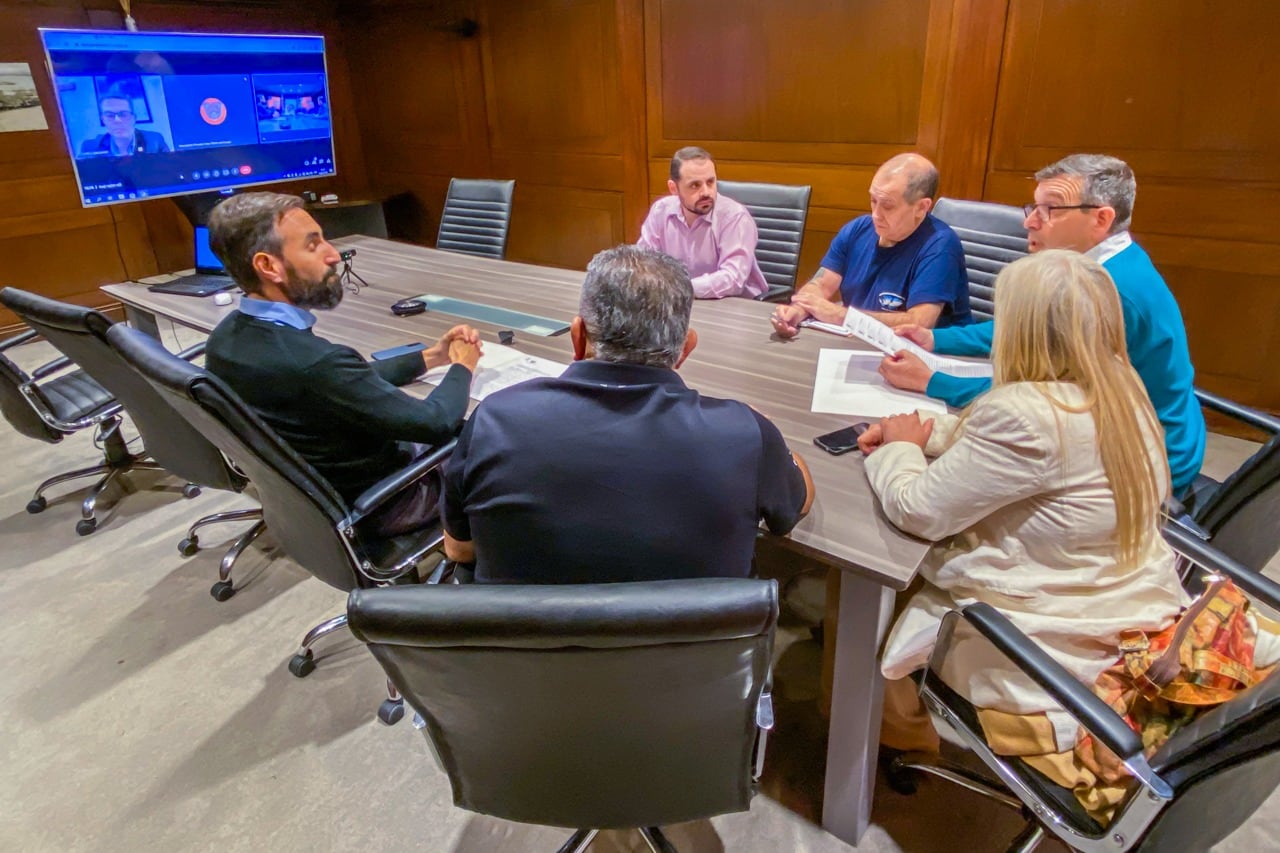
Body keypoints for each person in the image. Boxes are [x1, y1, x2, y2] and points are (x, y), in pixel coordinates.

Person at [859, 250, 1193, 819]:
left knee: (861, 596)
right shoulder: (1122, 387)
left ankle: (901, 742)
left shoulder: (1027, 414)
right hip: (1120, 609)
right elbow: (997, 443)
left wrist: (898, 447)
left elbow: (916, 509)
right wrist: (924, 431)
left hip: (1041, 647)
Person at [440, 244, 814, 583]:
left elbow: (459, 550)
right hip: (690, 656)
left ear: (578, 336)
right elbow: (791, 511)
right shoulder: (744, 433)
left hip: (530, 653)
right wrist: (775, 444)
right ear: (686, 348)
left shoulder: (495, 419)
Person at [878, 153, 1206, 495]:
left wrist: (933, 381)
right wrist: (936, 339)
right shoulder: (1100, 265)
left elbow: (1043, 399)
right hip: (1131, 428)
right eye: (1033, 208)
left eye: (1050, 210)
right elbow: (1023, 330)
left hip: (1140, 460)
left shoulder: (1107, 294)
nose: (1029, 222)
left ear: (1101, 219)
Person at [203, 192, 482, 537]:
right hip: (388, 499)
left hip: (319, 497)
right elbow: (434, 423)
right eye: (313, 245)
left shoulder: (225, 340)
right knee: (497, 436)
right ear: (268, 266)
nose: (334, 254)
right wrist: (463, 366)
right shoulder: (315, 363)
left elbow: (348, 382)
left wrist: (431, 357)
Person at [770, 153, 969, 337]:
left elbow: (919, 322)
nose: (875, 214)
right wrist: (798, 310)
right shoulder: (858, 229)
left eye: (887, 205)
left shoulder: (940, 245)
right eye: (873, 201)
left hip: (929, 358)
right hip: (860, 342)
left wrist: (841, 315)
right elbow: (822, 284)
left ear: (921, 207)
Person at [637, 147, 768, 299]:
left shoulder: (734, 217)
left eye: (710, 182)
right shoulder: (661, 211)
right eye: (695, 185)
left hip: (734, 307)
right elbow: (642, 263)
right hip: (679, 303)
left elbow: (733, 279)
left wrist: (680, 288)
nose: (706, 192)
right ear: (674, 188)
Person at [79, 93, 170, 157]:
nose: (117, 120)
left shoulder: (155, 139)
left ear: (134, 118)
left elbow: (169, 170)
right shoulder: (89, 147)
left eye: (123, 114)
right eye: (110, 115)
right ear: (103, 120)